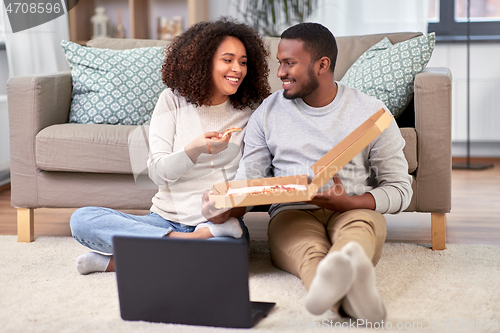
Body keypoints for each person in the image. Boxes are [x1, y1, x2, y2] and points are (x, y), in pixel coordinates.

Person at [202, 22, 412, 322]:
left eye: (289, 63)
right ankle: (351, 299)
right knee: (308, 253)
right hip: (292, 212)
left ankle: (343, 281)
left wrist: (351, 203)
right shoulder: (268, 112)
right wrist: (223, 209)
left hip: (354, 208)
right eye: (279, 63)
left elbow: (401, 189)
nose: (280, 73)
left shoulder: (372, 113)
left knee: (356, 236)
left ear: (322, 65)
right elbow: (249, 182)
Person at [70, 17, 271, 275]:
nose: (237, 69)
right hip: (163, 220)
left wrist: (225, 212)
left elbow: (251, 175)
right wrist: (193, 150)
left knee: (229, 260)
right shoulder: (172, 100)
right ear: (204, 60)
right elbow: (157, 174)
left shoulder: (251, 110)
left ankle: (116, 262)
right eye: (228, 60)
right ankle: (190, 244)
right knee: (82, 220)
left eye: (243, 62)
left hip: (215, 221)